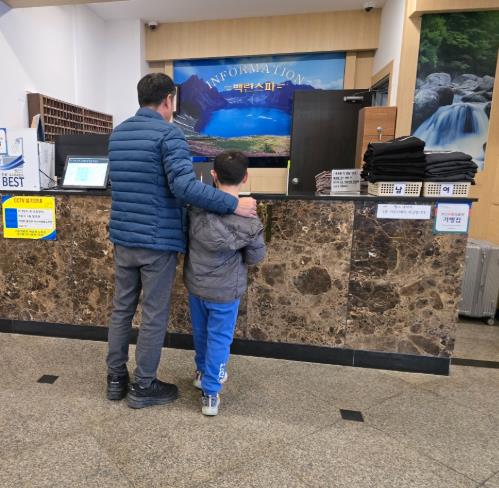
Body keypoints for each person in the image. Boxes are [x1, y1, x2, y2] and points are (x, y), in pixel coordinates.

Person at [106, 74, 257, 409]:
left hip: (123, 238)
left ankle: (116, 379)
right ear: (168, 100)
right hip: (157, 240)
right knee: (153, 314)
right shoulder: (169, 134)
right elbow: (184, 187)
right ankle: (143, 385)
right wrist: (232, 203)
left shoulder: (118, 134)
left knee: (122, 308)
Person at [184, 151, 266, 416]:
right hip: (227, 291)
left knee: (201, 333)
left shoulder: (196, 209)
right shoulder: (249, 218)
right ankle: (210, 393)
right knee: (219, 339)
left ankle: (201, 373)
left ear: (213, 175)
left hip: (197, 285)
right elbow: (255, 257)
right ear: (246, 177)